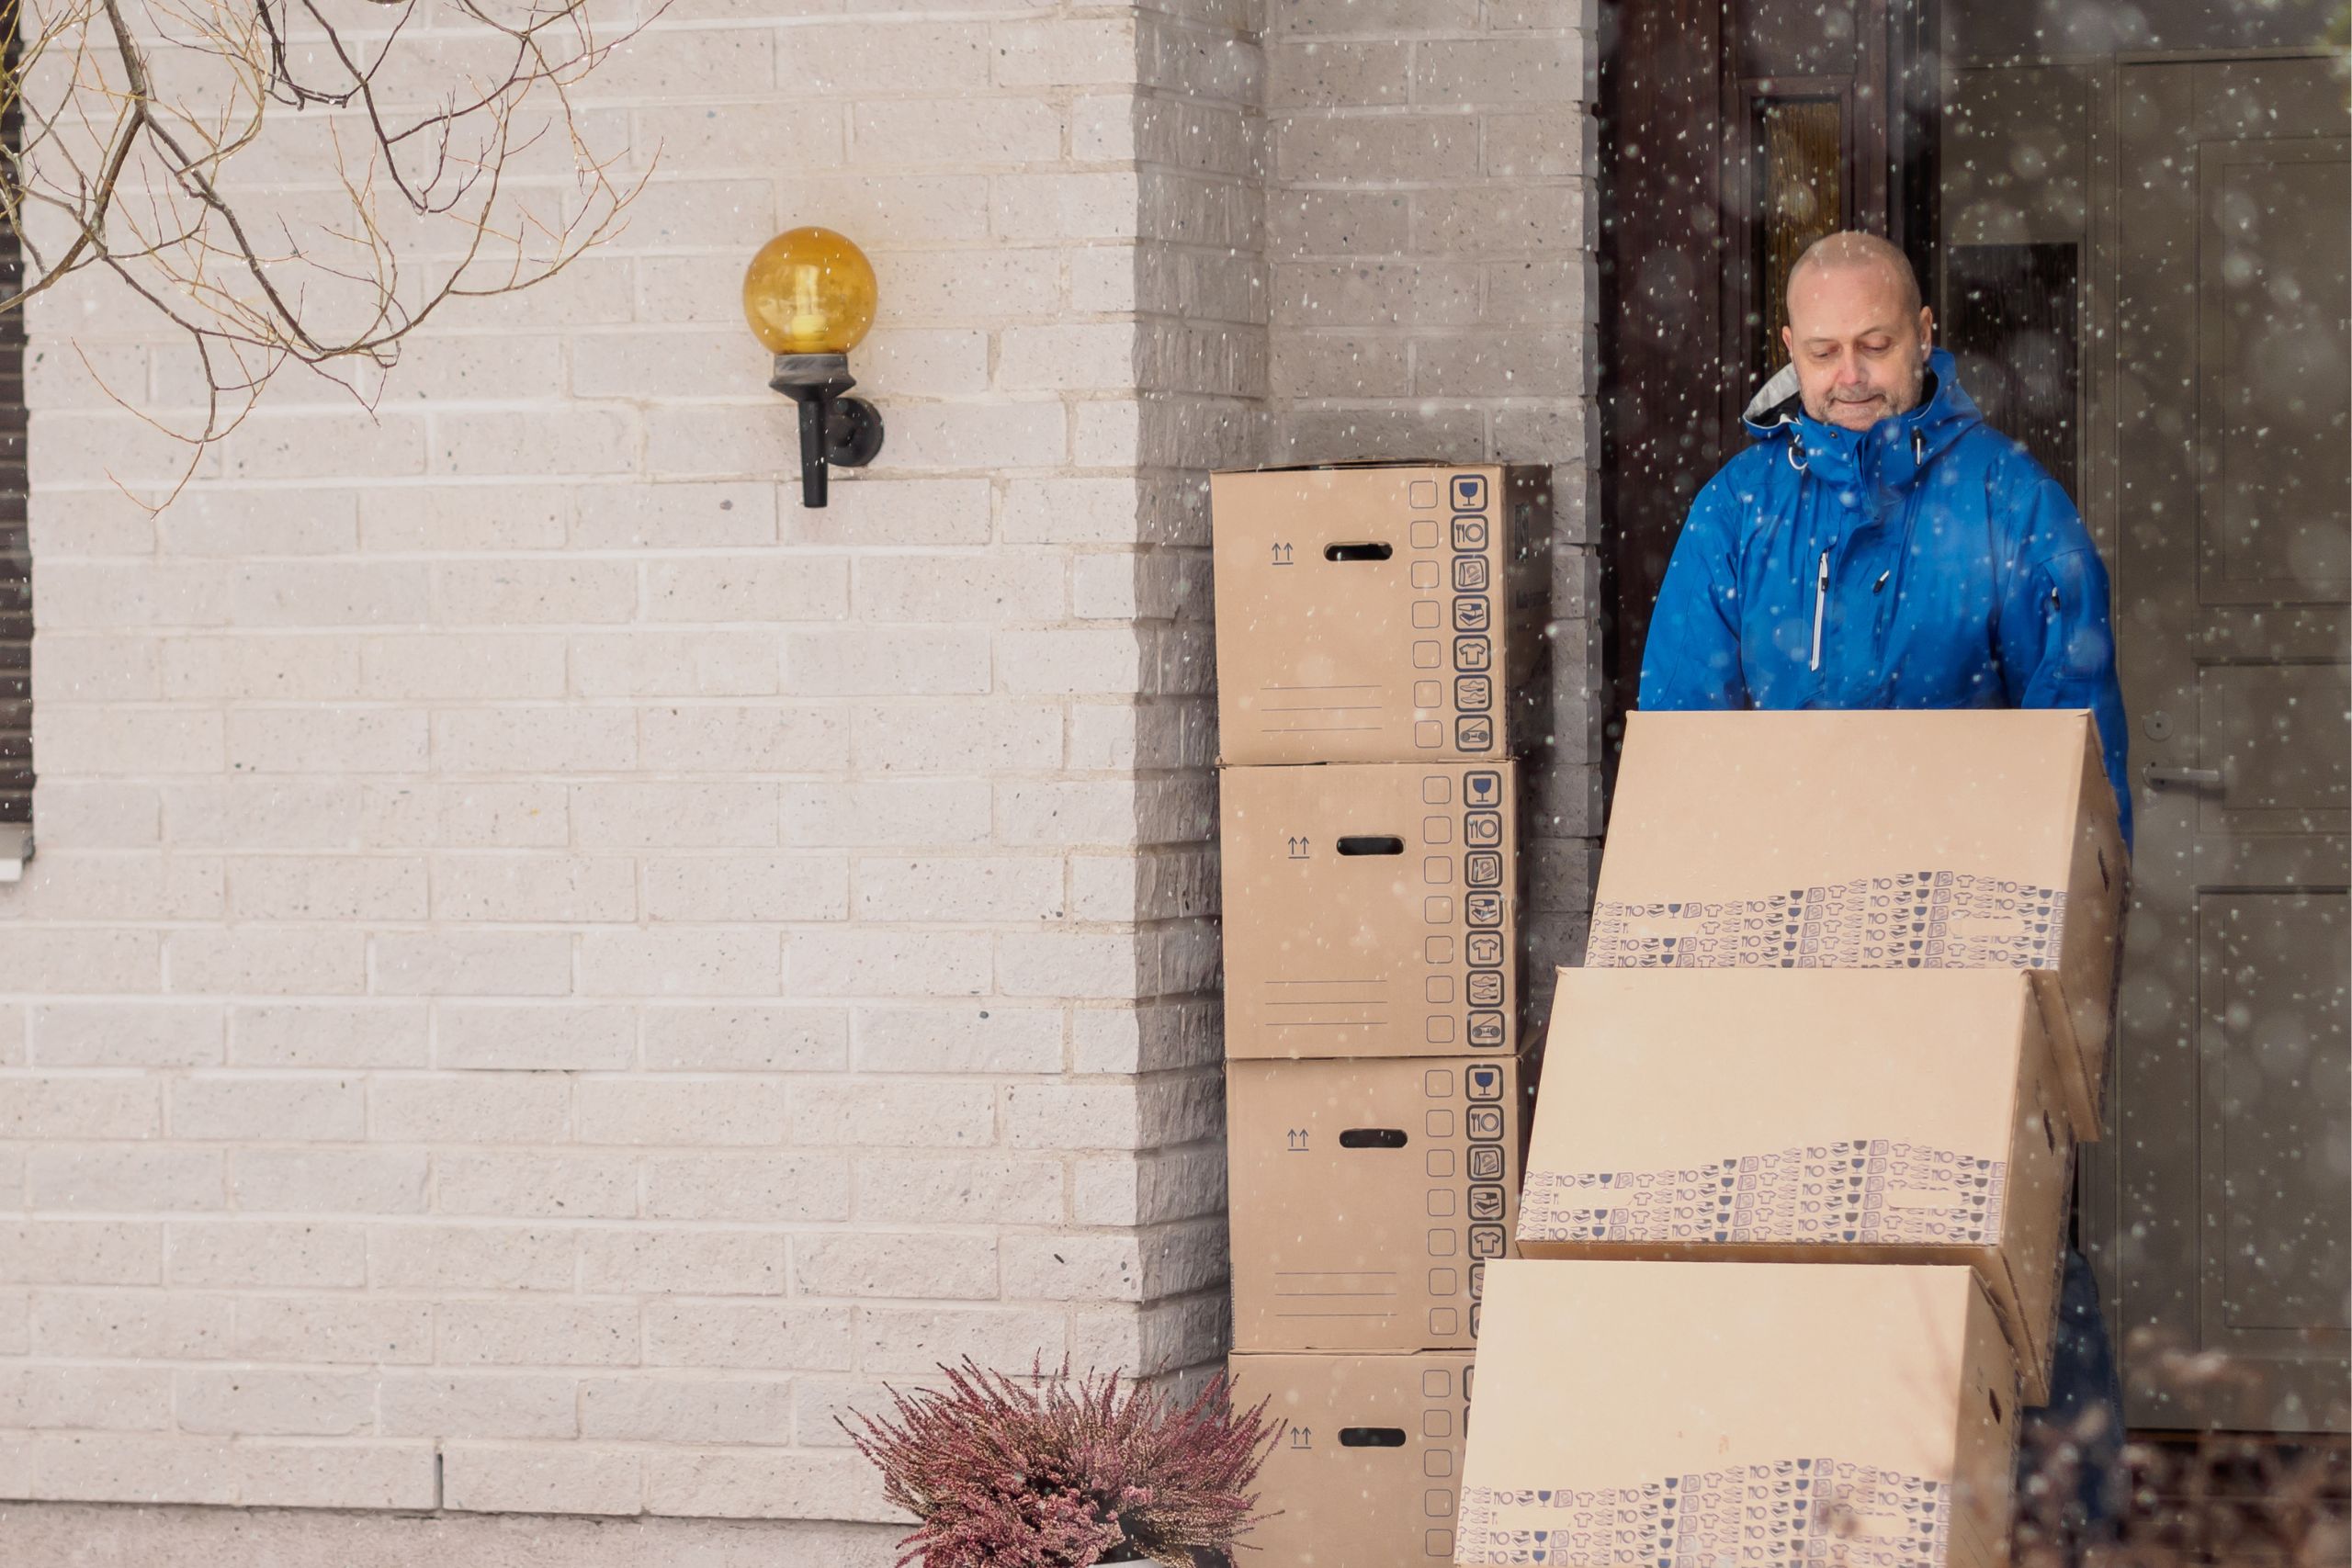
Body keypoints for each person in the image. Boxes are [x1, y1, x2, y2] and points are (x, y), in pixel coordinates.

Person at [1637, 231, 2132, 1551]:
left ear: (1922, 336)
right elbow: (1683, 756)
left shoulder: (2011, 510)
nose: (1849, 376)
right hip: (1784, 977)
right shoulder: (1737, 517)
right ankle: (1827, 1524)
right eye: (1821, 351)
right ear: (1785, 356)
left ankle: (2060, 1535)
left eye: (1873, 345)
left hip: (1970, 979)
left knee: (2013, 1271)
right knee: (1802, 1269)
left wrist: (2057, 1004)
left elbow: (2082, 785)